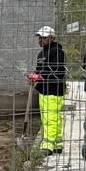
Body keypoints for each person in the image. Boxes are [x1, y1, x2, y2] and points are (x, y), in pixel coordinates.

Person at [28, 26, 67, 154]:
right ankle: (57, 143)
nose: (41, 40)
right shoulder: (41, 54)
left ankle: (47, 145)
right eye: (40, 38)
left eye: (44, 38)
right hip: (43, 91)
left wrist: (41, 76)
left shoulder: (57, 52)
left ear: (51, 38)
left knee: (51, 117)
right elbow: (39, 69)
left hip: (54, 90)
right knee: (46, 117)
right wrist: (34, 76)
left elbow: (58, 71)